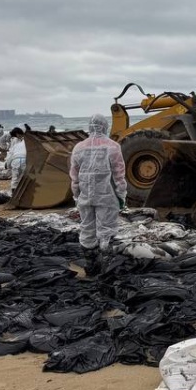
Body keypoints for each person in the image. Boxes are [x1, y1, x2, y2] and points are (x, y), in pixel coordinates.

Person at [69, 113, 128, 275]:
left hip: (85, 197)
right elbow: (119, 175)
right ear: (105, 126)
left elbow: (74, 176)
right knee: (106, 231)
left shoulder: (78, 147)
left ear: (89, 127)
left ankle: (91, 266)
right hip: (106, 197)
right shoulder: (113, 146)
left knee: (87, 230)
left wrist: (76, 195)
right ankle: (107, 269)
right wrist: (121, 195)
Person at [6, 128, 27, 192]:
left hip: (15, 160)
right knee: (23, 177)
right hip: (24, 160)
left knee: (15, 178)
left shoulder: (15, 144)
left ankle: (14, 193)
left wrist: (8, 166)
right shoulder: (26, 142)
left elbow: (10, 156)